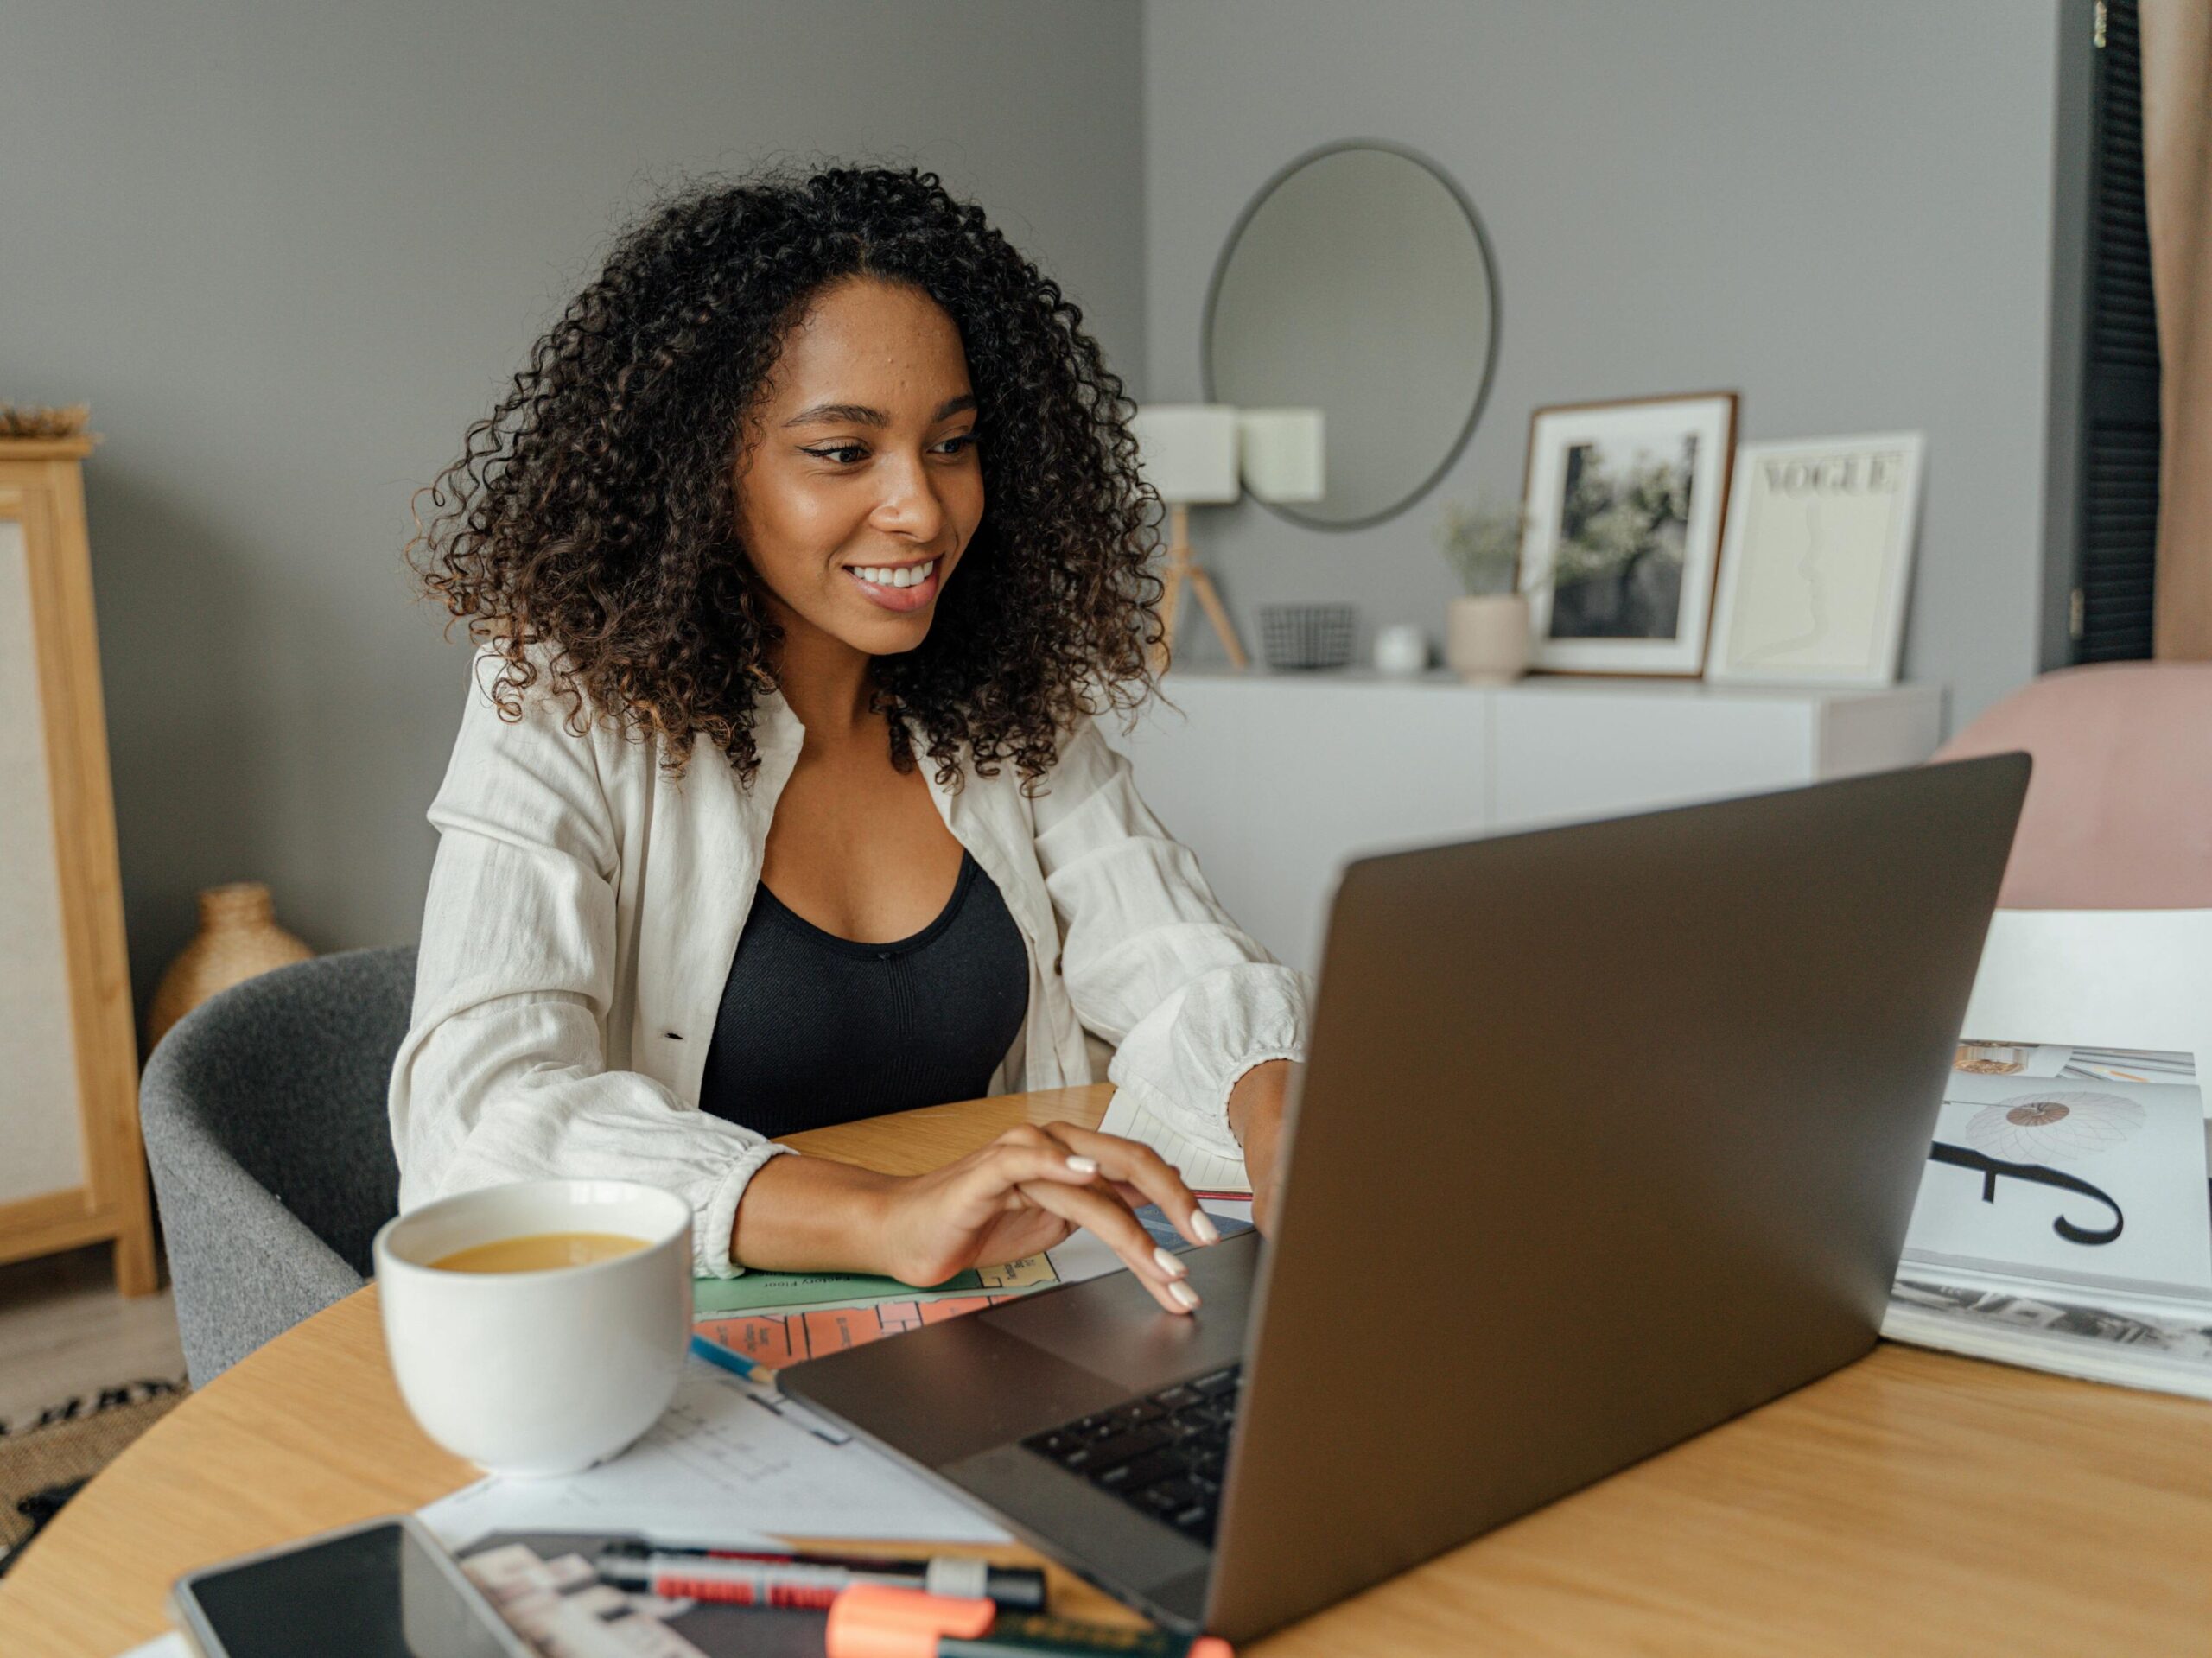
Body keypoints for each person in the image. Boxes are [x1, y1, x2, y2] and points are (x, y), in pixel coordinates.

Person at [391, 164, 1310, 1315]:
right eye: (842, 452)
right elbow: (478, 1115)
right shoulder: (566, 695)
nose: (922, 509)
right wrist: (884, 1217)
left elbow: (1176, 959)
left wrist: (1289, 1148)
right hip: (675, 1345)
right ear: (704, 466)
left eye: (954, 443)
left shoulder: (1005, 696)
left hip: (997, 1310)